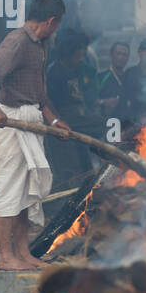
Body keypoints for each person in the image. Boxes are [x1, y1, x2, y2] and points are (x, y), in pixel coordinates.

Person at [0, 0, 71, 271]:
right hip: (10, 119)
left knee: (26, 189)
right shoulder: (18, 39)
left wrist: (54, 123)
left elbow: (40, 96)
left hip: (31, 119)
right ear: (52, 21)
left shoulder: (40, 45)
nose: (57, 29)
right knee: (10, 185)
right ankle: (6, 257)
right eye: (59, 24)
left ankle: (23, 253)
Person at [45, 31, 94, 183]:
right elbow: (48, 101)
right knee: (71, 171)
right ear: (68, 53)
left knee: (86, 164)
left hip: (80, 120)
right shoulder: (55, 72)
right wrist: (56, 120)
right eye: (78, 55)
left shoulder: (77, 69)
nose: (81, 59)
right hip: (65, 122)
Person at [96, 41, 131, 126]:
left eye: (124, 55)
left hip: (128, 124)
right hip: (107, 124)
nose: (121, 57)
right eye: (118, 54)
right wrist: (104, 102)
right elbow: (90, 101)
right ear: (111, 55)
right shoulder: (100, 77)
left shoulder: (131, 78)